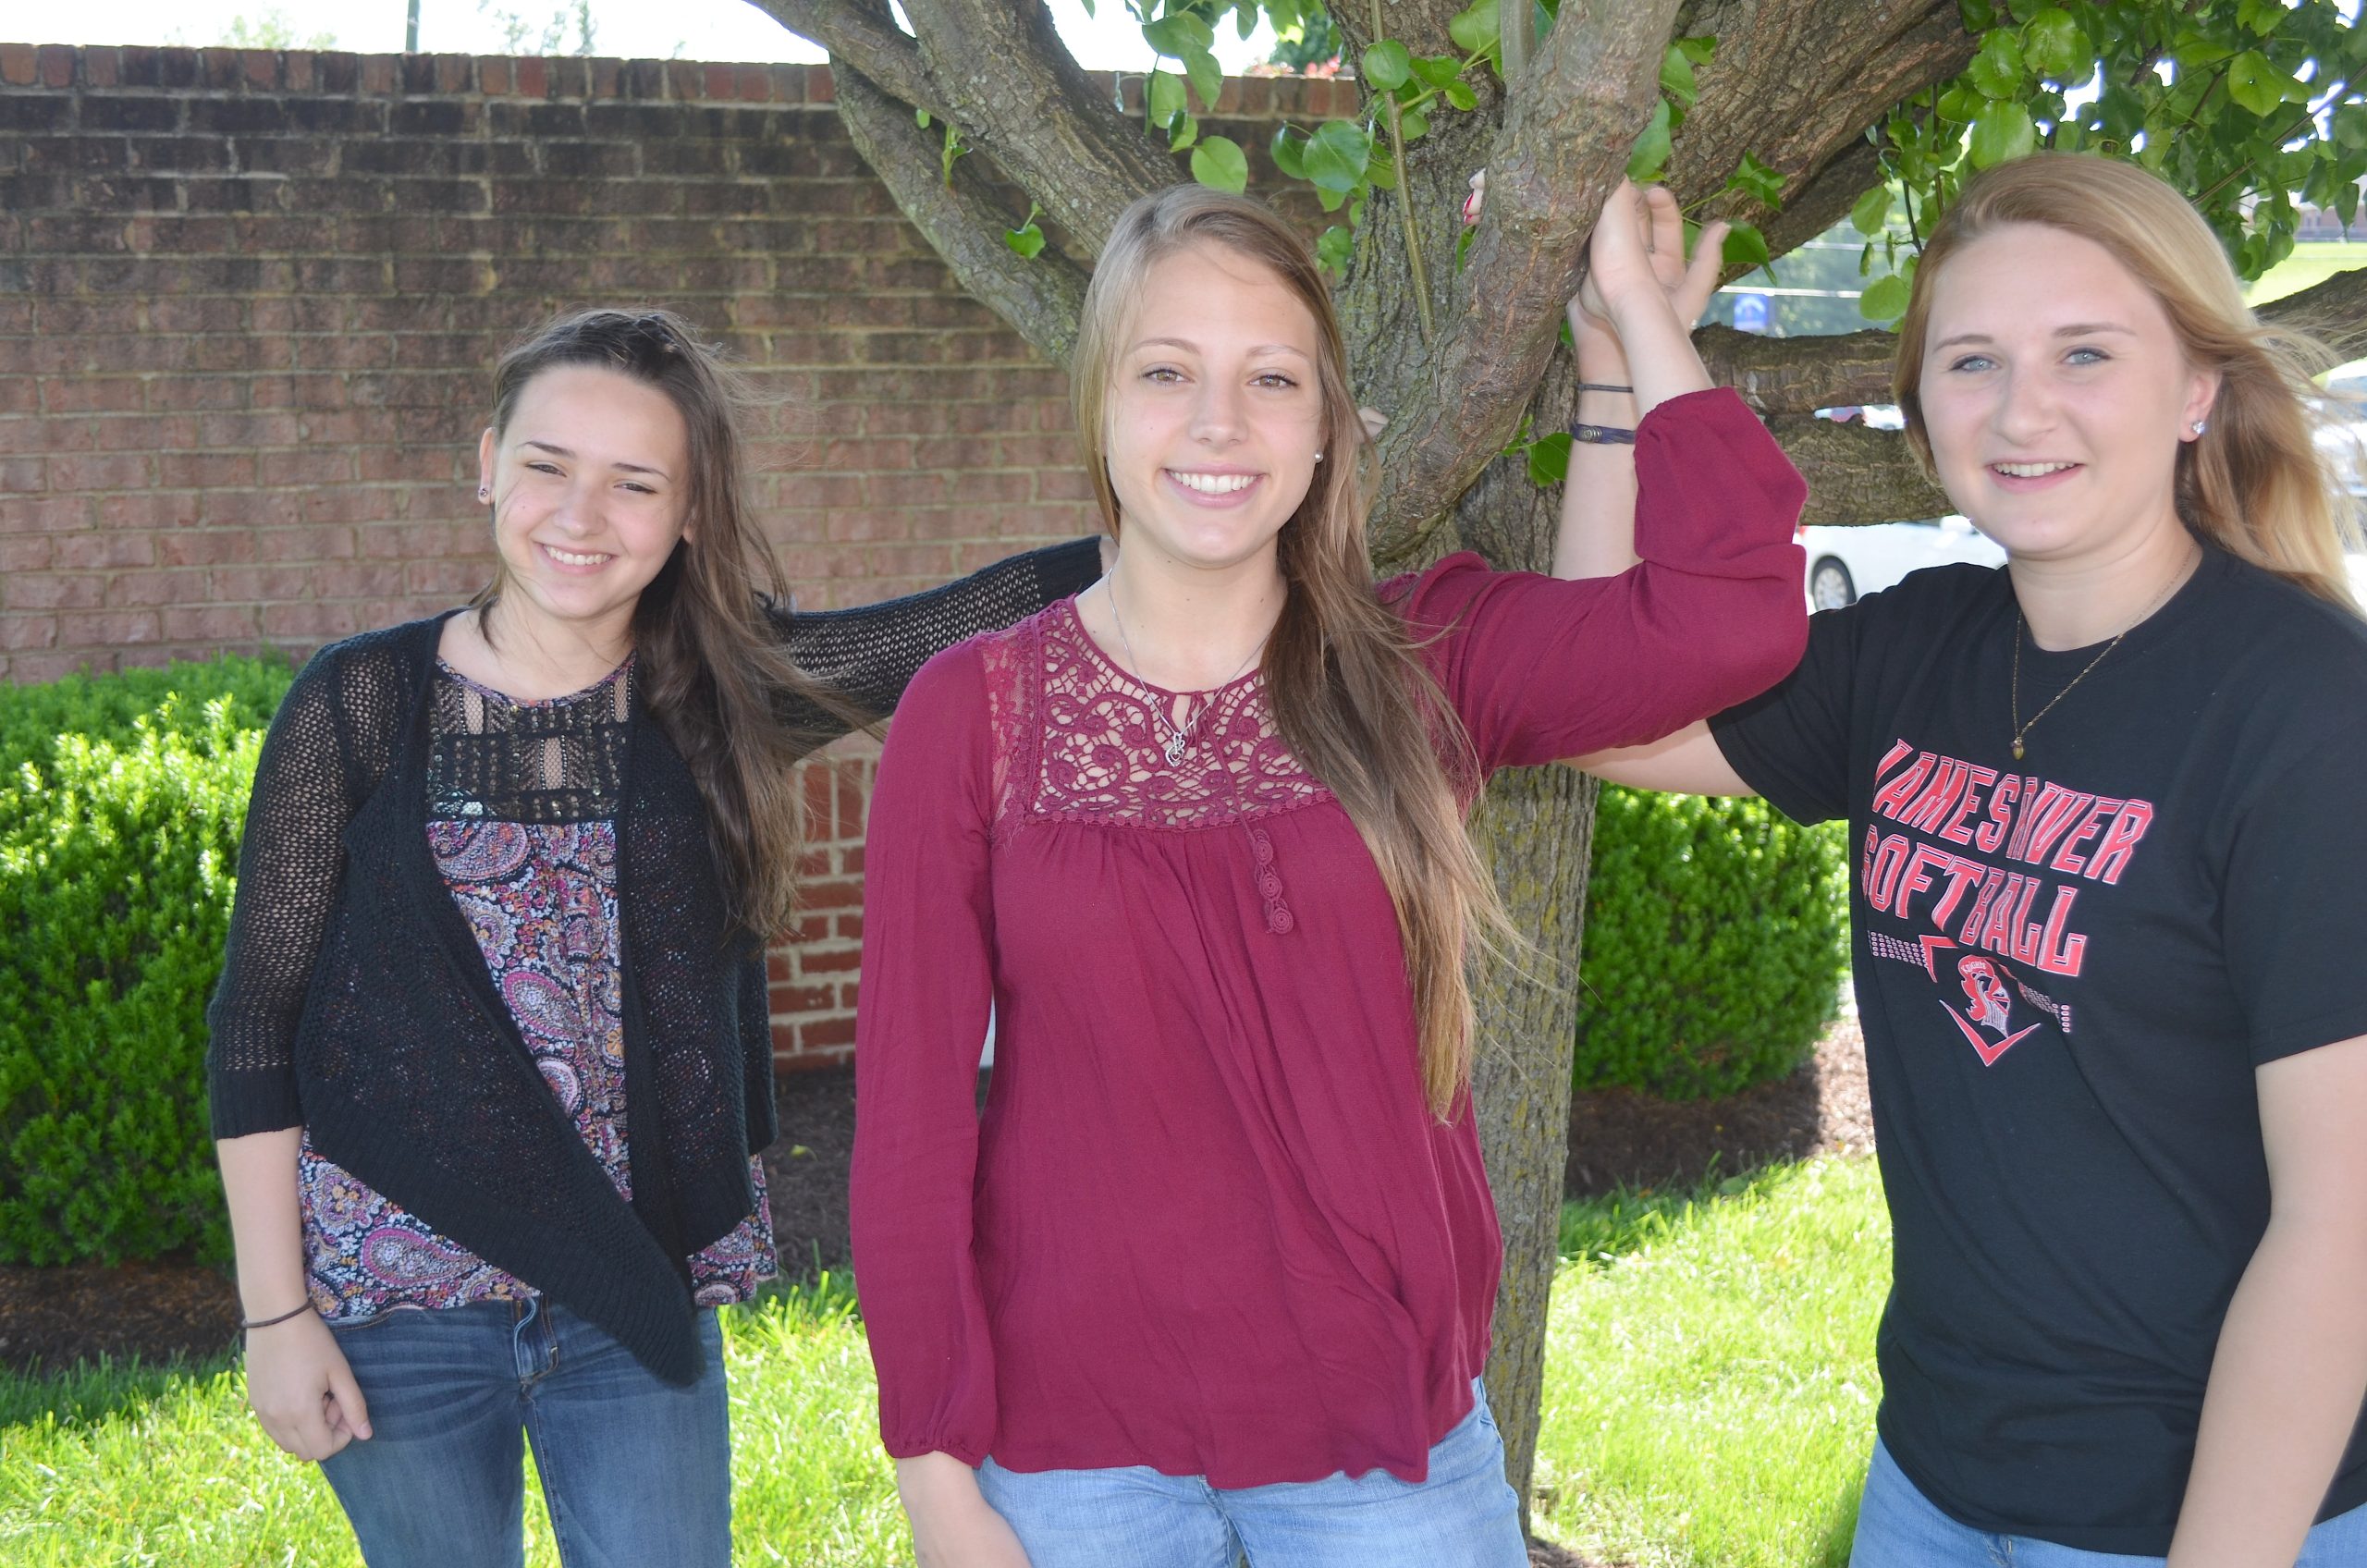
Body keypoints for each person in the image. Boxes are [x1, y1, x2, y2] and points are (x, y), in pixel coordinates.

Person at [848, 180, 1809, 1568]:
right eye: (1167, 372)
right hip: (1069, 1457)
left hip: (1384, 1450)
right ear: (1100, 407)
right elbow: (914, 1123)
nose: (1219, 424)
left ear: (1325, 432)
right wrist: (938, 1482)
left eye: (1272, 378)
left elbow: (1728, 617)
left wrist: (1638, 325)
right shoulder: (977, 709)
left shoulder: (1422, 663)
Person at [1562, 153, 2367, 1566]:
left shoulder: (2305, 709)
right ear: (1923, 404)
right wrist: (1621, 373)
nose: (2020, 408)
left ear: (2196, 391)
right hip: (1933, 1484)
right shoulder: (1916, 647)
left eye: (2086, 354)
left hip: (2201, 1515)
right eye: (1971, 360)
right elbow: (1600, 713)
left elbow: (2343, 1226)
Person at [205, 307, 1108, 1566]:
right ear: (486, 464)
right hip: (394, 1291)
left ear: (687, 514)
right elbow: (259, 1022)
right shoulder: (360, 704)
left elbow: (971, 617)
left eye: (635, 484)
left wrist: (1210, 506)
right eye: (547, 466)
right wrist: (274, 1315)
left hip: (632, 1287)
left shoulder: (716, 699)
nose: (582, 517)